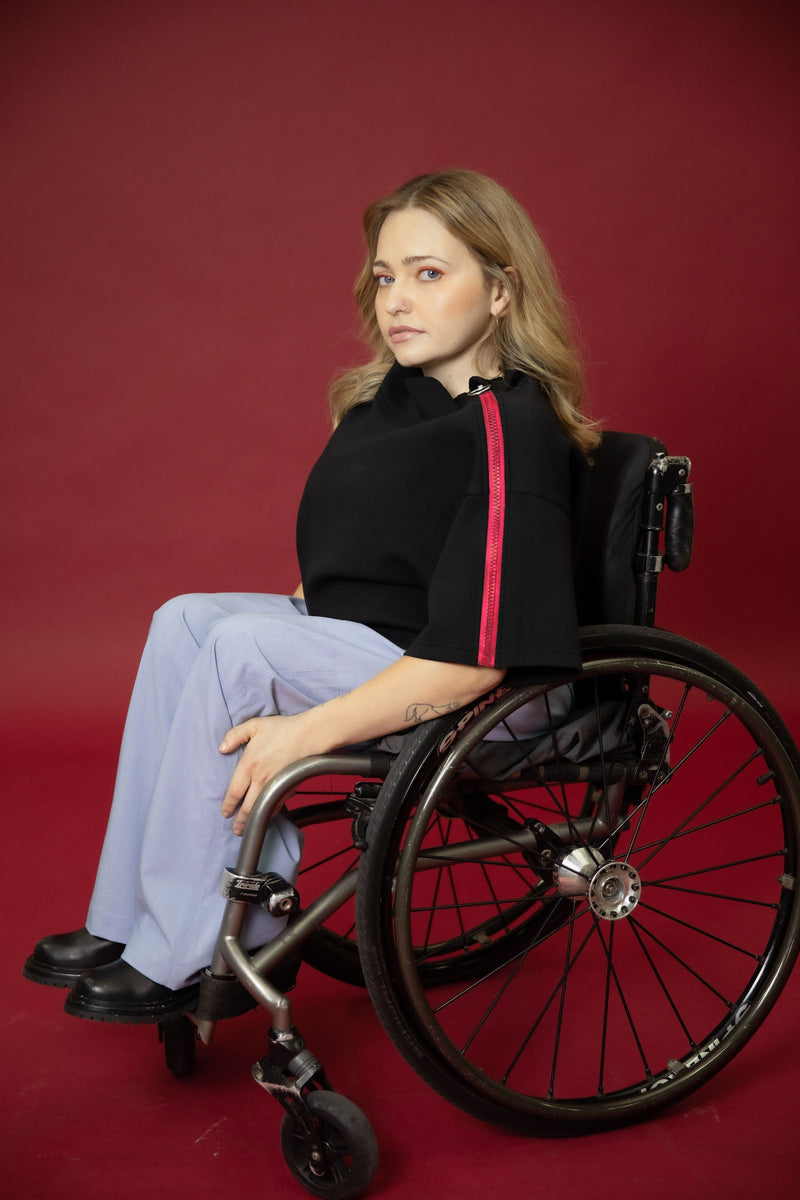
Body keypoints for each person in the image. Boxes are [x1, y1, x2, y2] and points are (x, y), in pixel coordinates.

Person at [24, 169, 599, 1024]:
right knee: (185, 618)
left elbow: (478, 661)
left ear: (502, 289)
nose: (397, 299)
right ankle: (127, 920)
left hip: (485, 685)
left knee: (239, 649)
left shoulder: (510, 429)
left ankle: (203, 940)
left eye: (429, 273)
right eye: (385, 275)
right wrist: (293, 635)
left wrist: (305, 727)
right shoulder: (389, 408)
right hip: (382, 647)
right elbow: (346, 569)